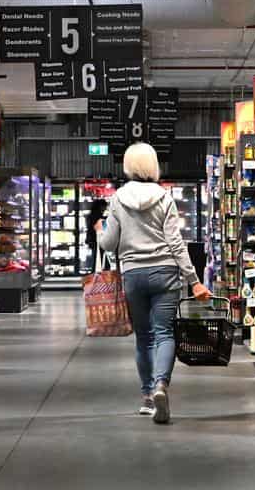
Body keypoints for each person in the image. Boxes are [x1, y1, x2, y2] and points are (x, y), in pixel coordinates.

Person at [98, 143, 210, 424]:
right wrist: (194, 281)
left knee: (144, 337)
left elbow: (109, 243)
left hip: (133, 275)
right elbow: (175, 243)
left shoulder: (118, 198)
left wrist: (101, 232)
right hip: (165, 273)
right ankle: (162, 384)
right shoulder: (164, 198)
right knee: (165, 334)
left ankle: (148, 397)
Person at [83, 198, 109, 274]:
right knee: (99, 259)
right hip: (97, 240)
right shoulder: (97, 217)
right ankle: (100, 277)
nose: (105, 208)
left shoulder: (91, 216)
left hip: (93, 240)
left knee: (96, 259)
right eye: (104, 206)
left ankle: (96, 276)